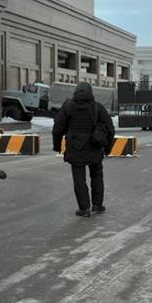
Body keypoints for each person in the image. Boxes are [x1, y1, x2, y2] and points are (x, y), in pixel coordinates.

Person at [52, 82, 115, 217]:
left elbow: (57, 128)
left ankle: (84, 209)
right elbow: (110, 129)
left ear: (76, 92)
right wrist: (108, 148)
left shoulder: (68, 106)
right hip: (95, 147)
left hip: (75, 149)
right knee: (97, 175)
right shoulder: (98, 107)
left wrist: (57, 146)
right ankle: (97, 205)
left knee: (79, 179)